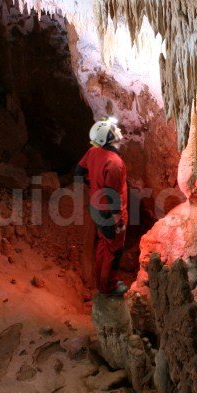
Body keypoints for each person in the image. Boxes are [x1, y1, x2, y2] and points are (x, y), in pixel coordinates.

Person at [76, 118, 129, 298]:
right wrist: (118, 221)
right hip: (109, 213)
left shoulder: (93, 151)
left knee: (103, 244)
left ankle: (101, 283)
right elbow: (112, 195)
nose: (118, 130)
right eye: (114, 129)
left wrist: (92, 185)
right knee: (114, 250)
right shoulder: (114, 163)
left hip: (96, 207)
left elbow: (79, 171)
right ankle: (109, 287)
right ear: (110, 137)